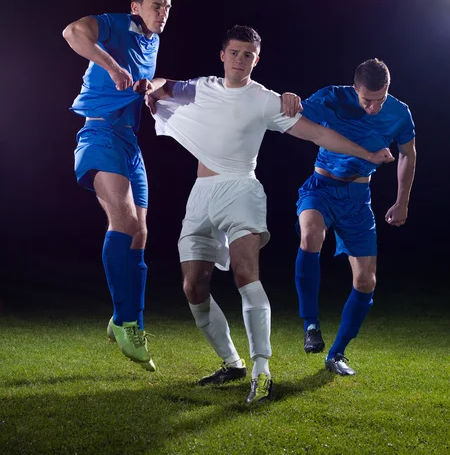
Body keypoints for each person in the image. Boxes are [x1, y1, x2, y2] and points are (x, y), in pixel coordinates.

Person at [144, 26, 394, 404]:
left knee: (246, 274)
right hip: (201, 196)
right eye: (235, 52)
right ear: (223, 55)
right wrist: (151, 86)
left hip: (241, 191)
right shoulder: (203, 86)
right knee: (193, 286)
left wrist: (368, 155)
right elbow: (166, 84)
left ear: (256, 61)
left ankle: (262, 369)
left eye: (249, 55)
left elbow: (317, 135)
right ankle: (232, 362)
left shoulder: (265, 100)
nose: (241, 59)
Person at [62, 0, 175, 371]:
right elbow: (72, 32)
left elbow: (144, 84)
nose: (163, 13)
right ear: (136, 7)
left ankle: (128, 321)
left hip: (129, 141)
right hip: (100, 132)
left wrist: (147, 90)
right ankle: (127, 322)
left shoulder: (154, 42)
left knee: (141, 232)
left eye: (167, 7)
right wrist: (111, 67)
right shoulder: (116, 24)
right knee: (124, 222)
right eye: (156, 5)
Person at [294, 58, 416, 376]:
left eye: (380, 99)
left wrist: (402, 201)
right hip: (320, 188)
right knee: (310, 236)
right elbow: (293, 117)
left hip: (359, 199)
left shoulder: (400, 113)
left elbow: (408, 153)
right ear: (355, 87)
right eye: (366, 100)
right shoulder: (332, 97)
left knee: (366, 280)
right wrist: (288, 100)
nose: (373, 107)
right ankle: (310, 325)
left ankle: (337, 354)